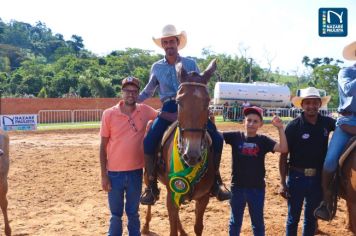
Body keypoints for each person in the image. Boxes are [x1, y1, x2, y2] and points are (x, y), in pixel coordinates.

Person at [138, 24, 230, 205]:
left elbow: (200, 87)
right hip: (169, 109)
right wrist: (133, 101)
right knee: (149, 142)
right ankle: (151, 186)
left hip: (191, 108)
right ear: (162, 45)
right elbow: (148, 91)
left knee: (217, 139)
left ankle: (216, 181)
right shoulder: (156, 67)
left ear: (177, 43)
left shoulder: (190, 63)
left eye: (172, 41)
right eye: (165, 42)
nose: (169, 44)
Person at [99, 77, 158, 236]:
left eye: (134, 91)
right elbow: (102, 147)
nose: (130, 94)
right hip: (114, 174)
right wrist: (104, 175)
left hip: (135, 173)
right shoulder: (109, 114)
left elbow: (162, 117)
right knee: (116, 214)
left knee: (133, 213)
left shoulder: (144, 110)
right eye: (127, 91)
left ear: (138, 93)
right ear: (122, 92)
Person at [222, 106, 288, 236]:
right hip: (237, 188)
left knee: (257, 223)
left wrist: (280, 128)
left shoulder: (263, 140)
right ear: (244, 121)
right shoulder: (235, 136)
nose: (251, 123)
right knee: (235, 222)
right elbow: (214, 135)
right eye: (249, 120)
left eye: (255, 121)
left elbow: (284, 148)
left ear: (261, 124)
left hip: (257, 189)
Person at [279, 87, 335, 236]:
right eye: (308, 103)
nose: (311, 106)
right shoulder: (293, 126)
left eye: (315, 103)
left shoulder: (327, 122)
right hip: (297, 177)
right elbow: (283, 156)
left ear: (319, 104)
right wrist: (283, 183)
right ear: (302, 105)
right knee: (293, 218)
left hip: (317, 179)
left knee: (311, 219)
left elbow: (342, 128)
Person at [314, 41, 356, 221]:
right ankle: (327, 200)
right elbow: (348, 90)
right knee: (330, 162)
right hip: (348, 121)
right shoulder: (346, 72)